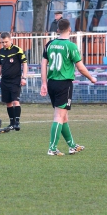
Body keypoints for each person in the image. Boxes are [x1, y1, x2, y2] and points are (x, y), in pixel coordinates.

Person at [40, 19, 97, 156]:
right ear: (69, 29)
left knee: (64, 116)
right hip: (64, 84)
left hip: (52, 83)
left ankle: (72, 145)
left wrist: (43, 83)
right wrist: (91, 78)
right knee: (59, 116)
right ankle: (52, 148)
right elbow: (80, 67)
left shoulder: (50, 44)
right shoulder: (71, 46)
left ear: (58, 30)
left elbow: (43, 64)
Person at [0, 32, 28, 131]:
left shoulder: (17, 50)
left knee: (15, 101)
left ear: (11, 40)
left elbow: (24, 64)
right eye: (2, 42)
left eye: (6, 42)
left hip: (15, 80)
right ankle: (12, 123)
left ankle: (17, 123)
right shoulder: (1, 52)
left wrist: (24, 77)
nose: (4, 44)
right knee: (8, 103)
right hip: (4, 80)